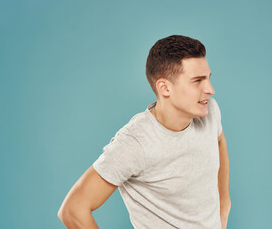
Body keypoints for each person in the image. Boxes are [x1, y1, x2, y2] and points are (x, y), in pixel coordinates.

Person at [58, 35, 231, 229]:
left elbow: (218, 141)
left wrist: (224, 206)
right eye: (197, 80)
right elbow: (73, 210)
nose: (210, 89)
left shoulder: (210, 111)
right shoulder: (135, 142)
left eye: (208, 78)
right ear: (164, 87)